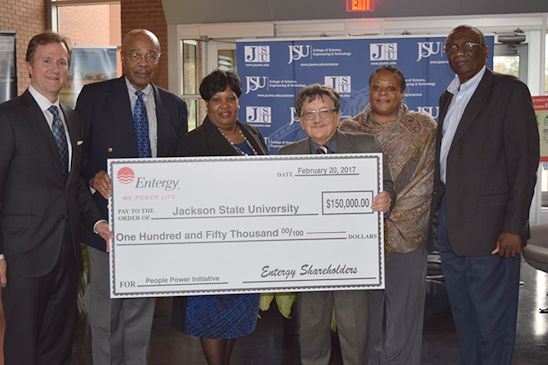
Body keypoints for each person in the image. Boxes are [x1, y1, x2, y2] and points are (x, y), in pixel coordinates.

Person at [76, 29, 188, 365]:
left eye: (150, 55)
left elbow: (178, 166)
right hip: (105, 222)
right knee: (107, 312)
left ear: (158, 58)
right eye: (135, 55)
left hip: (150, 227)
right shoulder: (93, 97)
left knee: (141, 312)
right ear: (122, 56)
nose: (143, 62)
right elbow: (76, 158)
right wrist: (92, 177)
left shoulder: (174, 106)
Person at [0, 31, 111, 365]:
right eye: (46, 61)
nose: (55, 68)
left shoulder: (71, 119)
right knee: (23, 346)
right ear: (30, 66)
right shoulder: (7, 117)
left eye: (62, 62)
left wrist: (98, 222)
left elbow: (73, 185)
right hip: (23, 258)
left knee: (59, 344)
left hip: (66, 253)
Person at [431, 25, 539, 365]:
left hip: (493, 230)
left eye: (468, 45)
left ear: (484, 51)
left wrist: (513, 226)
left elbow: (523, 164)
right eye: (452, 47)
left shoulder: (508, 91)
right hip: (451, 223)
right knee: (464, 315)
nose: (459, 51)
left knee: (493, 318)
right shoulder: (448, 96)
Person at [278, 83, 395, 365]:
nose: (317, 118)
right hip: (308, 264)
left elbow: (388, 184)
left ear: (338, 115)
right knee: (311, 335)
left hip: (352, 260)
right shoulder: (286, 156)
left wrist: (386, 198)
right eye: (309, 113)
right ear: (300, 119)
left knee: (356, 337)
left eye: (324, 111)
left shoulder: (365, 146)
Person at [340, 66, 436, 365]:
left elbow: (428, 180)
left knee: (404, 315)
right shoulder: (349, 130)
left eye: (390, 88)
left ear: (402, 93)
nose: (383, 93)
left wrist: (393, 212)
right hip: (363, 238)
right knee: (365, 318)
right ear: (369, 91)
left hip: (409, 232)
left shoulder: (422, 128)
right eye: (377, 87)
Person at [172, 69, 267, 365]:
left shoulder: (252, 134)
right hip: (210, 246)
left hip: (248, 242)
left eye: (231, 98)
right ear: (205, 105)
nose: (224, 105)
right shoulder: (192, 143)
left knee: (237, 312)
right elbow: (184, 196)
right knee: (211, 312)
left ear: (239, 101)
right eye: (216, 99)